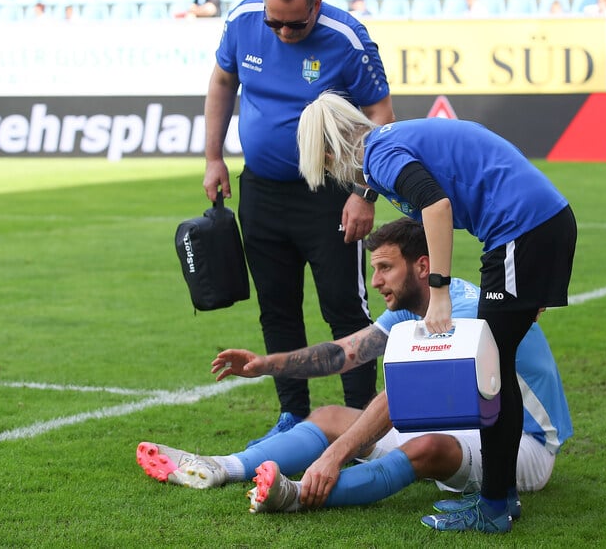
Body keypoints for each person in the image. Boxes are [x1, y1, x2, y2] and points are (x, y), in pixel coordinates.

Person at [137, 218, 572, 523]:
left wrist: (334, 457)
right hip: (468, 425)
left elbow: (404, 397)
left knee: (426, 448)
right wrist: (265, 365)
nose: (377, 280)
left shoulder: (460, 310)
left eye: (385, 268)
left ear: (423, 266)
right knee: (328, 416)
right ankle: (221, 467)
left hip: (523, 445)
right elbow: (346, 353)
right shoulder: (417, 303)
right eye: (374, 268)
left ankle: (294, 497)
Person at [295, 92, 577, 533]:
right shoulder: (390, 143)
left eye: (327, 166)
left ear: (330, 151)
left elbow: (436, 205)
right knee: (496, 367)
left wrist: (439, 290)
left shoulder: (381, 154)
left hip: (522, 231)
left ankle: (493, 506)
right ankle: (500, 498)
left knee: (491, 373)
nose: (337, 176)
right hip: (530, 228)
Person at [202, 0, 395, 446]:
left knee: (344, 308)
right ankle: (292, 416)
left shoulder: (346, 38)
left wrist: (363, 191)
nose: (284, 31)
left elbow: (382, 114)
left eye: (296, 22)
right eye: (276, 22)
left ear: (317, 5)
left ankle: (357, 424)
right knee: (277, 307)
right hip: (261, 192)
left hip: (330, 196)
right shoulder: (243, 21)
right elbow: (223, 81)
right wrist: (213, 158)